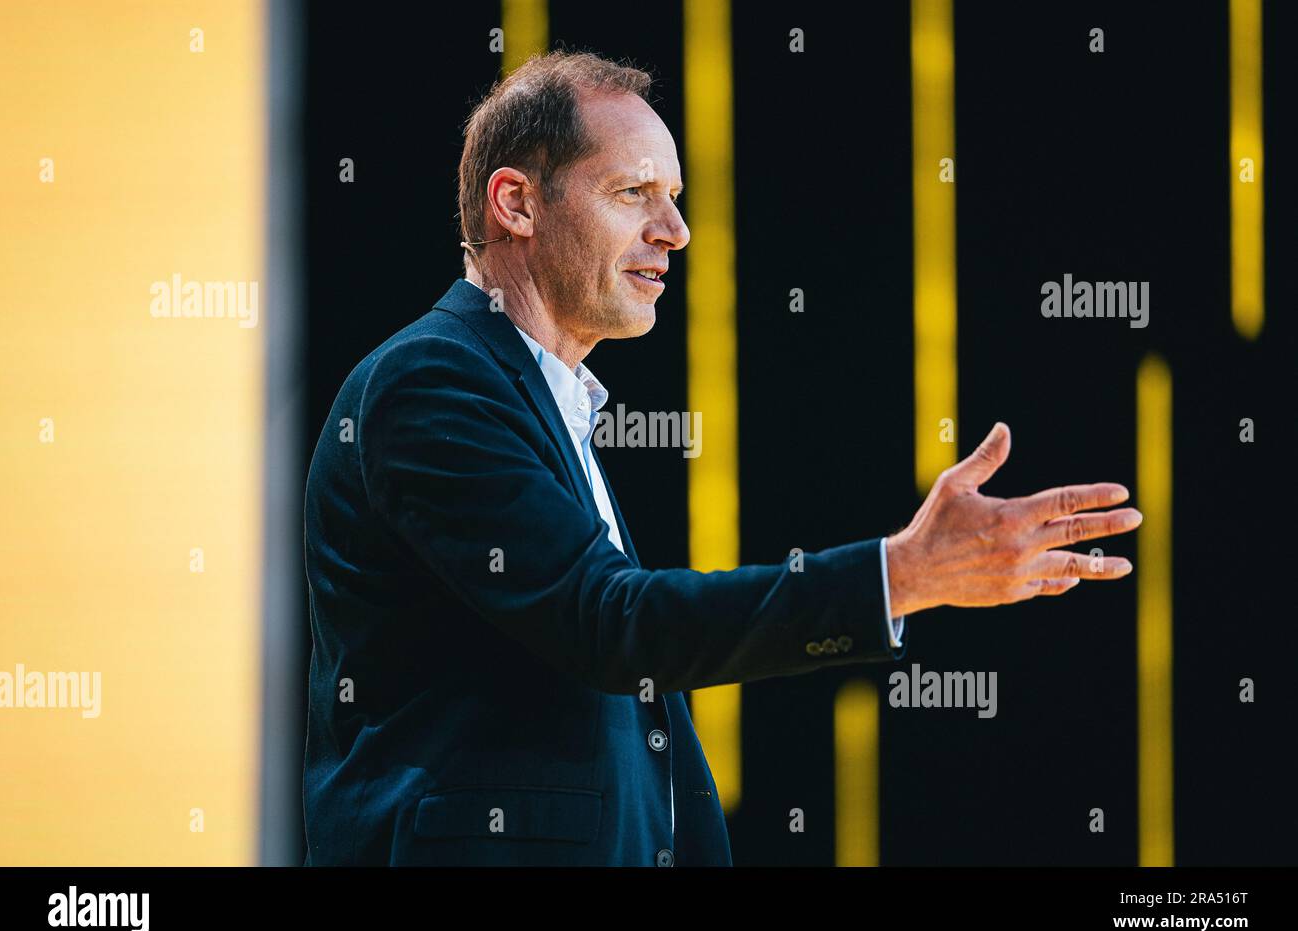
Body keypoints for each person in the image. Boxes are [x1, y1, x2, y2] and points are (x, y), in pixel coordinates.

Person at [302, 51, 1141, 866]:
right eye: (635, 193)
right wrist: (899, 575)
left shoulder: (536, 394)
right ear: (516, 203)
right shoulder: (432, 381)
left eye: (674, 197)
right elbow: (610, 624)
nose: (676, 231)